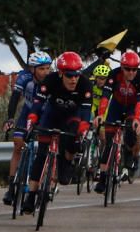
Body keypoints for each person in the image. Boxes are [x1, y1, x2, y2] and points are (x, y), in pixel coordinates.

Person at [20, 52, 93, 214]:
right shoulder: (50, 80)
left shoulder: (85, 85)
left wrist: (83, 129)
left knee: (73, 141)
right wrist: (32, 118)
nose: (74, 79)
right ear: (60, 73)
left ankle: (65, 162)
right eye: (69, 75)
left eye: (76, 75)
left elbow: (86, 112)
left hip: (72, 117)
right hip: (51, 115)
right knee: (41, 154)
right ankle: (31, 196)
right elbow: (38, 103)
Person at [94, 50, 140, 193]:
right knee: (109, 142)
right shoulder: (114, 74)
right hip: (116, 106)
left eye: (134, 69)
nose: (131, 72)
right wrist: (100, 114)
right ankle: (103, 177)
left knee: (131, 130)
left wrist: (137, 119)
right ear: (122, 67)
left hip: (133, 107)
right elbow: (105, 95)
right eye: (127, 69)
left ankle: (129, 156)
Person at [3, 52, 53, 206]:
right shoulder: (24, 78)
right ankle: (12, 185)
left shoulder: (52, 80)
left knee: (46, 150)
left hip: (46, 114)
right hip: (28, 112)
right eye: (41, 69)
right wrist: (10, 118)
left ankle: (45, 185)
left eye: (47, 68)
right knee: (18, 143)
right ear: (33, 69)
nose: (45, 72)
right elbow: (15, 98)